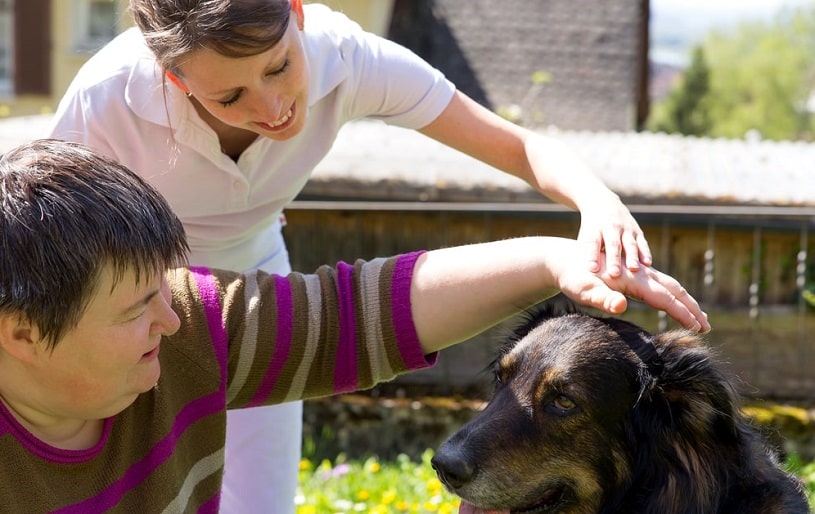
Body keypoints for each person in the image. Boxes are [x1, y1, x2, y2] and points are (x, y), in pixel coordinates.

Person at [48, 1, 656, 511]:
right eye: (229, 96)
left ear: (295, 14)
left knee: (262, 502)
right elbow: (48, 249)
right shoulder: (107, 99)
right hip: (138, 304)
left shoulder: (349, 58)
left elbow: (517, 146)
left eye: (279, 67)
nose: (270, 107)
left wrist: (596, 201)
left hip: (262, 291)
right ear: (174, 79)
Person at [0, 139, 707, 513]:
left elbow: (348, 315)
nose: (170, 316)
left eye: (163, 287)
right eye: (133, 309)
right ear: (22, 333)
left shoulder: (185, 325)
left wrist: (554, 258)